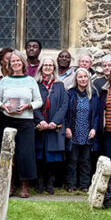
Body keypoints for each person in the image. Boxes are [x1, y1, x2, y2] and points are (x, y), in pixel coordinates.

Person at [0, 52, 42, 198]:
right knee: (9, 153)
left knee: (25, 153)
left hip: (26, 121)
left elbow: (39, 101)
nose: (15, 63)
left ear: (23, 63)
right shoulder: (4, 81)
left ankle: (24, 186)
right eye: (13, 61)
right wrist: (3, 107)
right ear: (9, 64)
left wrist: (28, 106)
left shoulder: (30, 81)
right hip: (7, 120)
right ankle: (9, 185)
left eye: (18, 61)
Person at [33, 57, 67, 194]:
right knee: (39, 156)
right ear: (41, 67)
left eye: (50, 65)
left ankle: (50, 184)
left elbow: (64, 104)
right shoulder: (35, 84)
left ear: (54, 68)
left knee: (52, 157)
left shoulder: (60, 85)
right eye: (45, 65)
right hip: (40, 127)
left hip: (54, 127)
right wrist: (40, 120)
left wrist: (55, 121)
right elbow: (32, 103)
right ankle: (39, 184)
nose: (48, 67)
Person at [64, 67, 100, 192]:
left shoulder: (93, 93)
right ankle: (71, 184)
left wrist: (94, 128)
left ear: (88, 78)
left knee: (86, 160)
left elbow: (96, 114)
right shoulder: (70, 93)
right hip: (73, 130)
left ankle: (85, 185)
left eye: (85, 77)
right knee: (72, 159)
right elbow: (66, 112)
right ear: (76, 79)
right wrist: (67, 127)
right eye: (80, 77)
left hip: (87, 130)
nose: (83, 79)